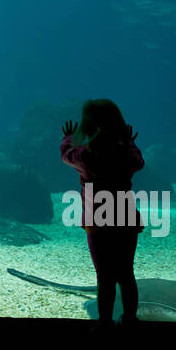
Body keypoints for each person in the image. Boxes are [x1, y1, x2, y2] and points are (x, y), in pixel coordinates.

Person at [60, 99, 145, 328]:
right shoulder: (125, 154)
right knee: (126, 274)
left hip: (98, 222)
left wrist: (68, 137)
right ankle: (130, 319)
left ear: (87, 126)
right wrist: (128, 143)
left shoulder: (86, 157)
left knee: (104, 277)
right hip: (125, 219)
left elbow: (66, 154)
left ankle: (105, 320)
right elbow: (139, 162)